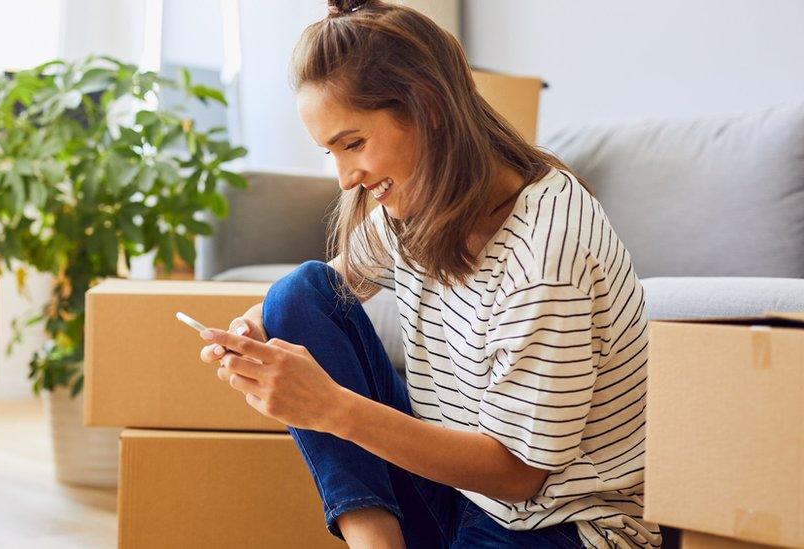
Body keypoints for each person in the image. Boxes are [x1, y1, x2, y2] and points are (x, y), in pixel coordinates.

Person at [197, 1, 661, 547]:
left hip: (558, 526)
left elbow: (519, 477)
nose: (345, 178)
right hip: (462, 499)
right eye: (331, 151)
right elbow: (325, 291)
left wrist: (330, 407)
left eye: (354, 143)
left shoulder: (546, 251)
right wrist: (254, 334)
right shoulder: (418, 207)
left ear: (429, 108)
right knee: (296, 292)